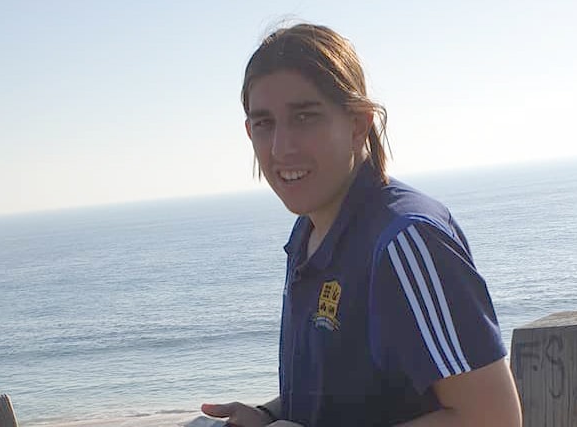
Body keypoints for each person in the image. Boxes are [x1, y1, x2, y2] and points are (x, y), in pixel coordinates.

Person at [202, 23, 522, 427]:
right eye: (264, 123)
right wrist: (268, 414)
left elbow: (494, 419)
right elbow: (347, 393)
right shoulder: (311, 232)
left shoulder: (404, 239)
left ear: (358, 124)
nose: (281, 148)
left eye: (305, 117)